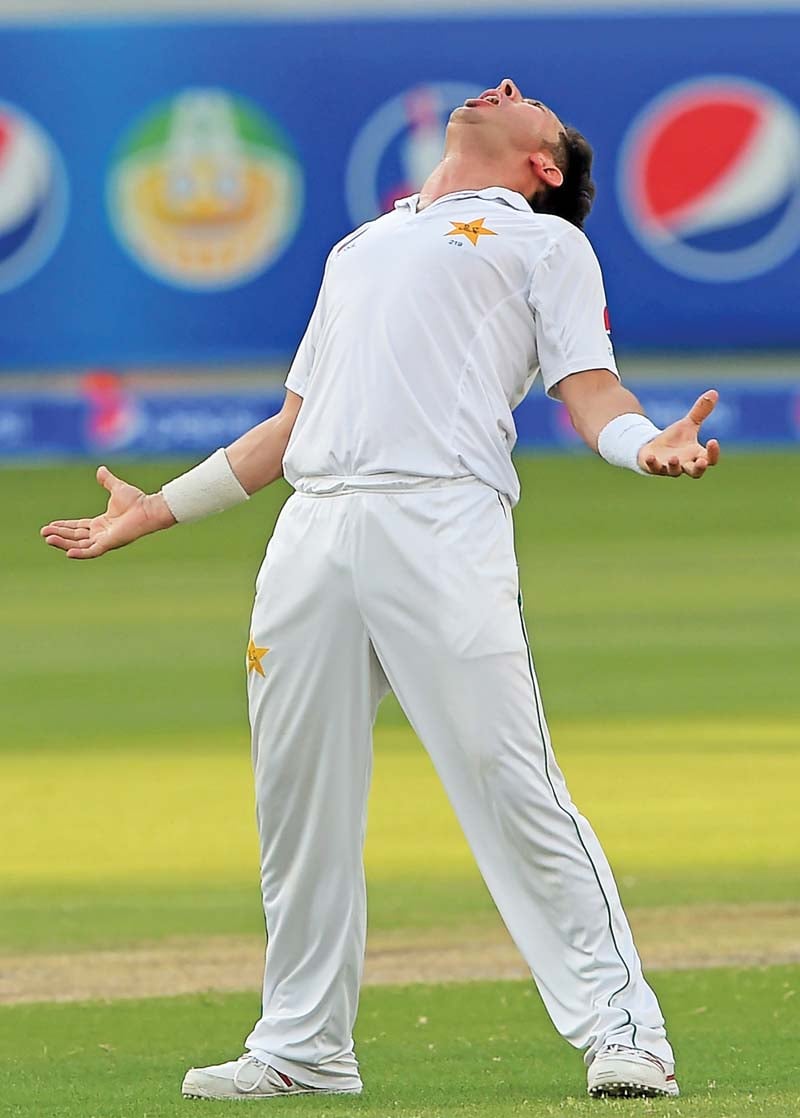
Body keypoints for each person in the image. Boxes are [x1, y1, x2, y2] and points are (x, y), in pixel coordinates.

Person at [41, 78, 720, 1102]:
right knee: (297, 800)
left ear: (544, 167)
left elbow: (589, 388)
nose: (497, 89)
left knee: (509, 781)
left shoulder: (542, 243)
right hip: (312, 528)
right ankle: (306, 1043)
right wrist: (157, 509)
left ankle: (624, 1032)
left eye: (524, 100)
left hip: (440, 519)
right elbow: (288, 426)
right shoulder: (358, 248)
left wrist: (640, 446)